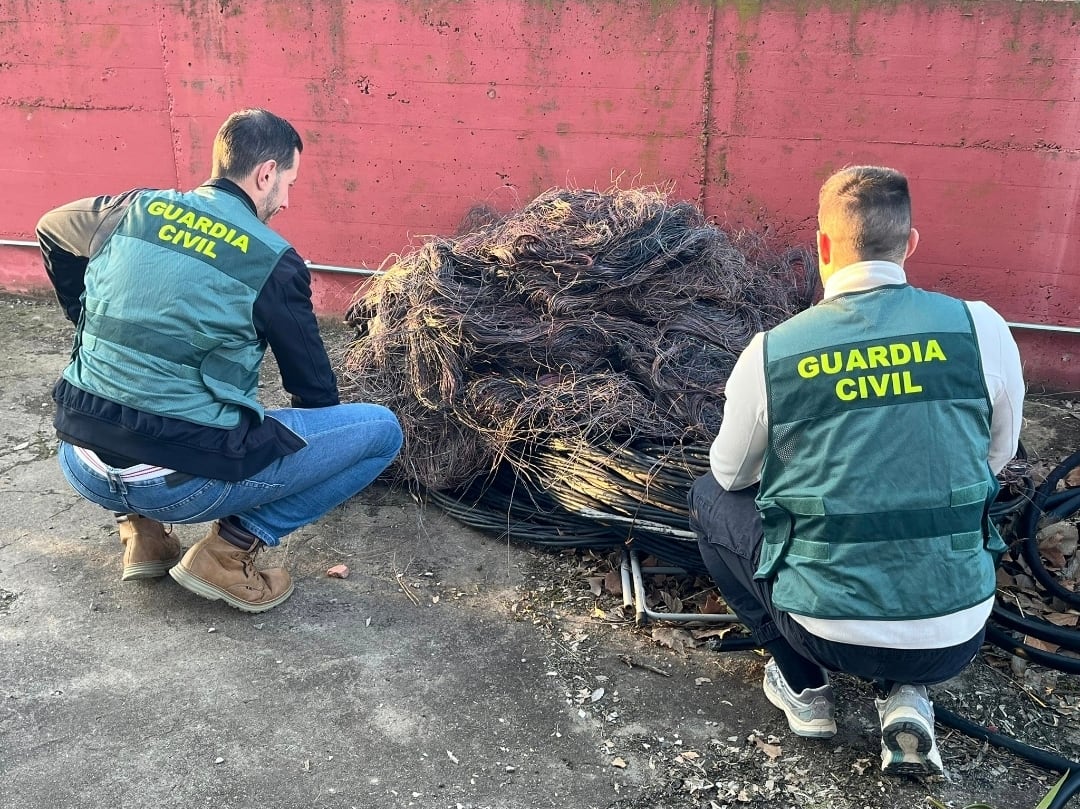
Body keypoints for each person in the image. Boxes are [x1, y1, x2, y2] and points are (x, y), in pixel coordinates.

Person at [688, 165, 1024, 776]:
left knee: (708, 499)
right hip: (956, 634)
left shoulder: (774, 350)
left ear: (821, 245)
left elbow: (731, 475)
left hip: (824, 630)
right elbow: (993, 460)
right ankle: (907, 694)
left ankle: (806, 689)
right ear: (911, 243)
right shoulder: (983, 330)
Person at [36, 108, 402, 614]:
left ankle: (143, 537)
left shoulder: (130, 208)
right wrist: (314, 458)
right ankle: (230, 552)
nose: (287, 200)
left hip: (81, 463)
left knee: (129, 395)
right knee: (381, 431)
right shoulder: (273, 259)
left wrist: (84, 313)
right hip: (180, 488)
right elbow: (314, 393)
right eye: (288, 183)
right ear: (266, 173)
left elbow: (51, 226)